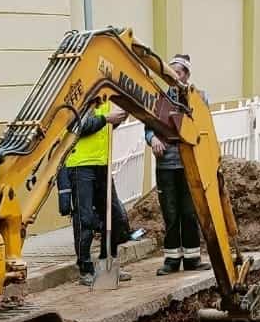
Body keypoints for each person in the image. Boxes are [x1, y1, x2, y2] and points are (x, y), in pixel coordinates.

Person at [145, 54, 209, 275]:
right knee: (170, 213)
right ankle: (172, 260)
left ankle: (192, 258)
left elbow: (203, 127)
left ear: (187, 74)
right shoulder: (160, 98)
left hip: (189, 164)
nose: (174, 76)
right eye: (171, 72)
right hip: (166, 166)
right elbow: (149, 125)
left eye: (178, 72)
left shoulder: (198, 98)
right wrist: (152, 138)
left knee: (189, 213)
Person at [66, 96, 133, 287]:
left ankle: (107, 264)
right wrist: (107, 119)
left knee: (116, 216)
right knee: (85, 219)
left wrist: (117, 120)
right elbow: (78, 126)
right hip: (81, 164)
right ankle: (85, 269)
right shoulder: (79, 97)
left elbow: (104, 129)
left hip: (102, 163)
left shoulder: (105, 100)